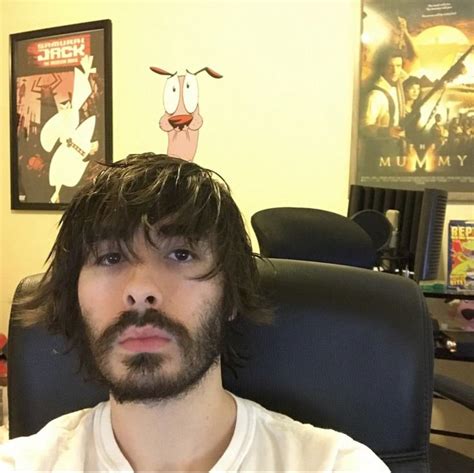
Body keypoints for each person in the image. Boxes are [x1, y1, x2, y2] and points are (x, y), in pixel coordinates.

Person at [0, 153, 390, 472]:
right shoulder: (24, 465)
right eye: (110, 256)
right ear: (75, 298)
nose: (141, 290)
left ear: (231, 296)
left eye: (180, 254)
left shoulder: (335, 467)